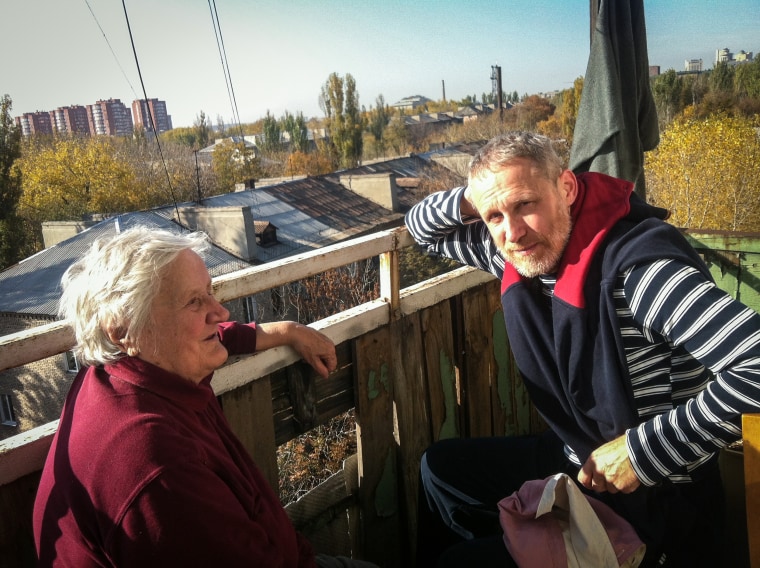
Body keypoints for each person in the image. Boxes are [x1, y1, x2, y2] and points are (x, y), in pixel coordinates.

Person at [405, 131, 760, 567]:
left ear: (567, 188)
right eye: (494, 216)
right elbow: (420, 227)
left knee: (459, 564)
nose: (512, 232)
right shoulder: (517, 254)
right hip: (578, 455)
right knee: (439, 470)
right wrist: (485, 193)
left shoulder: (640, 271)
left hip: (659, 493)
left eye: (525, 204)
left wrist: (641, 451)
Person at [33, 226, 376, 568]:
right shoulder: (155, 468)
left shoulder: (129, 372)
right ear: (124, 331)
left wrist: (287, 330)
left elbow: (219, 335)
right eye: (195, 301)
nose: (221, 312)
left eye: (211, 293)